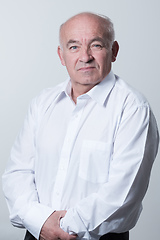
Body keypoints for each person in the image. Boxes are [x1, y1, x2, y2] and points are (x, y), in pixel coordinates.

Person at [2, 12, 159, 240]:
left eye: (96, 45)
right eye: (74, 47)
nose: (85, 57)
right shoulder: (42, 103)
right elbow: (18, 172)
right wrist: (41, 222)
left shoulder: (133, 109)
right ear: (61, 55)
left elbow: (122, 195)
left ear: (113, 51)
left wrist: (60, 228)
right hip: (38, 233)